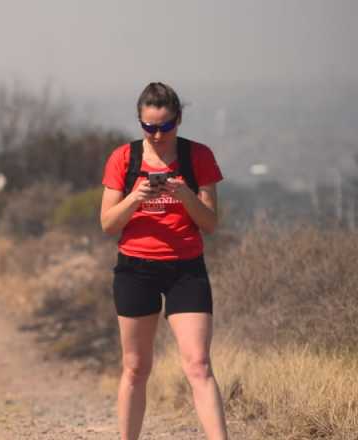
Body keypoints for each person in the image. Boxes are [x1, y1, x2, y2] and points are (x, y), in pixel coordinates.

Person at [99, 82, 228, 440]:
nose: (157, 135)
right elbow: (108, 224)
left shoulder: (198, 156)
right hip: (135, 268)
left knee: (199, 365)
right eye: (148, 127)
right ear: (139, 122)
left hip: (186, 269)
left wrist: (185, 193)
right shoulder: (124, 158)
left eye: (165, 126)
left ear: (179, 120)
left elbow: (211, 223)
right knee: (136, 367)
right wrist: (136, 198)